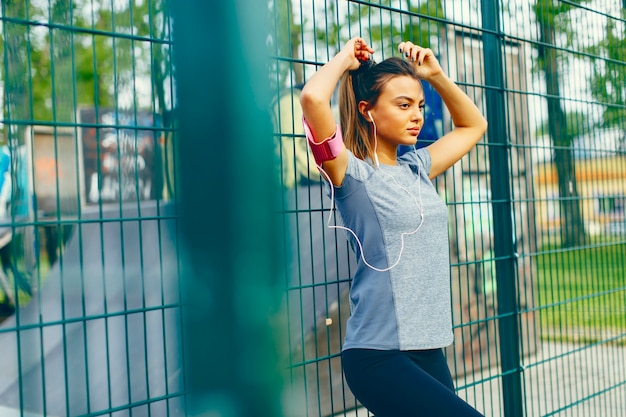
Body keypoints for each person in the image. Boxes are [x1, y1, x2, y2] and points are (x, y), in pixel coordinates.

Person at [300, 37, 488, 416]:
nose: (416, 115)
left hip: (428, 350)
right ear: (368, 111)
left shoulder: (417, 168)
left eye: (419, 105)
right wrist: (345, 59)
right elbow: (312, 100)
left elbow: (473, 125)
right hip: (378, 355)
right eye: (403, 105)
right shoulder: (351, 174)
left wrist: (435, 76)